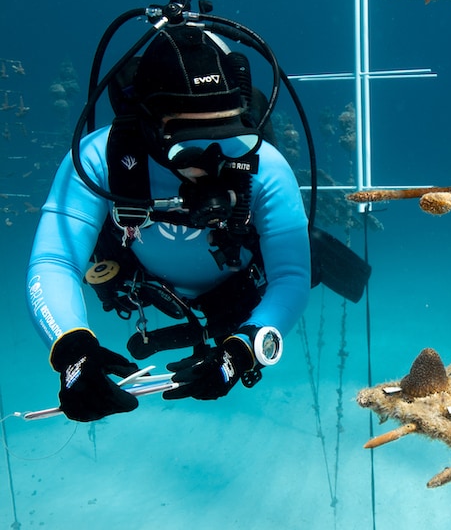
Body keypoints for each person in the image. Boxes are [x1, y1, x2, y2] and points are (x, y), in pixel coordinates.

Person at [26, 23, 311, 422]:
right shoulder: (97, 159)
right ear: (148, 128)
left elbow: (292, 276)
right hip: (145, 282)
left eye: (228, 132)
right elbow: (54, 260)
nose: (215, 156)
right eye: (191, 142)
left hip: (237, 289)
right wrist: (72, 351)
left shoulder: (268, 167)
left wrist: (244, 349)